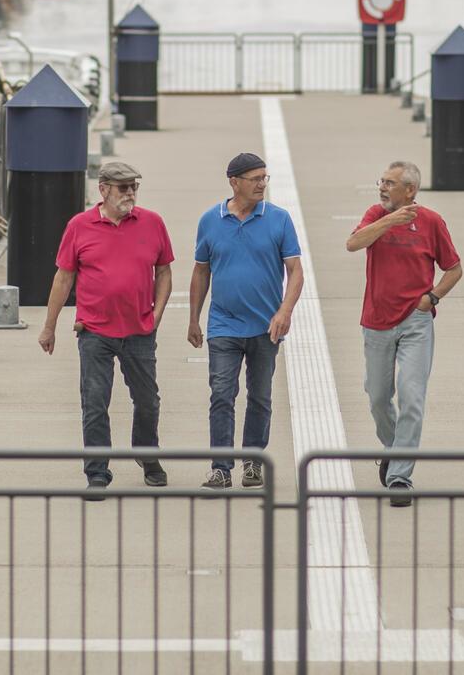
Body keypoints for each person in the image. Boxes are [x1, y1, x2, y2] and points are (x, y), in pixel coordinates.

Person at [40, 159, 173, 495]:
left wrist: (156, 315)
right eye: (123, 188)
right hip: (95, 331)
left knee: (148, 401)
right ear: (103, 190)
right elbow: (64, 277)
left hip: (140, 331)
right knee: (95, 402)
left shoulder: (152, 223)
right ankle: (97, 472)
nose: (130, 193)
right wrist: (49, 326)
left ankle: (146, 453)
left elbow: (165, 272)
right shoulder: (79, 226)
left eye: (134, 187)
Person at [344, 159, 463, 507]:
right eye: (380, 181)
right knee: (379, 397)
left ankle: (399, 477)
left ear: (410, 190)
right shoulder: (374, 214)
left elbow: (454, 269)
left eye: (390, 183)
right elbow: (352, 244)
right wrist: (389, 221)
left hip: (416, 321)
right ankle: (394, 450)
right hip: (377, 320)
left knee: (412, 398)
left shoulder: (431, 222)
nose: (382, 188)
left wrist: (433, 296)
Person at [188, 152, 304, 490]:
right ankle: (221, 467)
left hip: (266, 327)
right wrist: (194, 319)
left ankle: (253, 461)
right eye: (255, 179)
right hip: (223, 324)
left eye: (265, 178)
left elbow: (295, 271)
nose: (262, 185)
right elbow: (200, 271)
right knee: (222, 394)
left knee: (260, 397)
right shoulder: (210, 220)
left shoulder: (279, 219)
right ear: (234, 181)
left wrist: (284, 312)